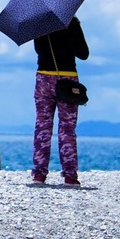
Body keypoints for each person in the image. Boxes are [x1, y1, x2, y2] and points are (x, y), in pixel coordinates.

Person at [32, 17, 87, 185]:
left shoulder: (38, 23)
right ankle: (70, 175)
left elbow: (38, 50)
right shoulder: (72, 22)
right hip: (67, 78)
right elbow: (83, 53)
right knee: (67, 128)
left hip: (43, 78)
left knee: (43, 126)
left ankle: (39, 174)